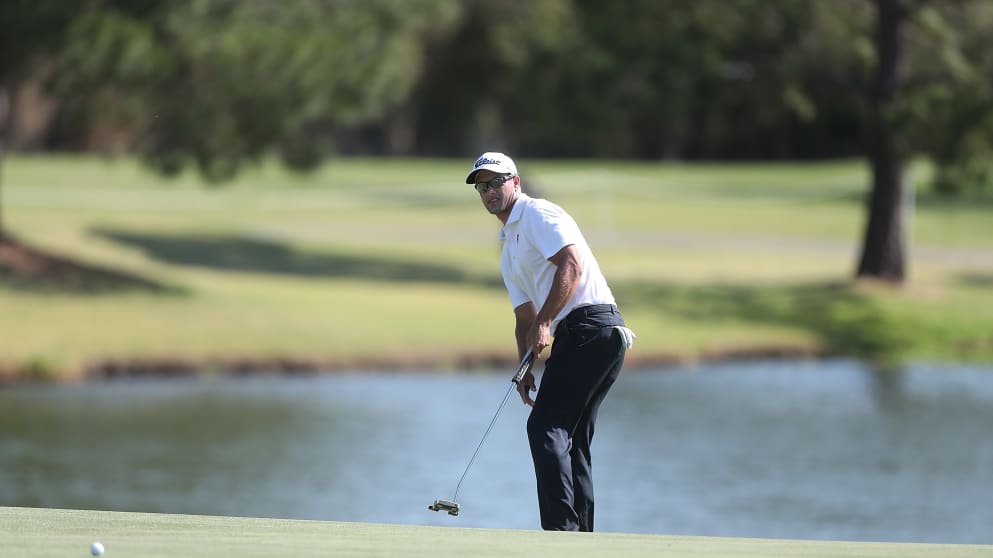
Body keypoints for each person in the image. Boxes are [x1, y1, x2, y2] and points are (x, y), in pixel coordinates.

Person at [465, 151, 635, 532]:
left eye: (496, 182)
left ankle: (561, 535)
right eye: (481, 186)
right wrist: (524, 365)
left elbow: (571, 265)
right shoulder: (508, 248)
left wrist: (546, 322)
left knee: (545, 428)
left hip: (593, 327)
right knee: (570, 438)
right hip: (590, 334)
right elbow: (523, 317)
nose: (489, 191)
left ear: (515, 182)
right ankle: (581, 539)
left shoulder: (538, 214)